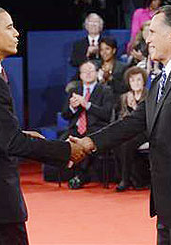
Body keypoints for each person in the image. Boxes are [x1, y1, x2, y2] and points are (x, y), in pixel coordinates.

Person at [70, 5, 171, 244]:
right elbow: (134, 121)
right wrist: (90, 142)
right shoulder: (162, 77)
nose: (147, 38)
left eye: (153, 32)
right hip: (167, 196)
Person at [0, 6, 86, 245]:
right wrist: (66, 151)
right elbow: (10, 142)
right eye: (9, 27)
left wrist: (18, 134)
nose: (17, 33)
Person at [61, 60, 114, 189]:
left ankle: (81, 175)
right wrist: (72, 108)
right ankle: (71, 175)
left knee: (87, 140)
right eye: (85, 71)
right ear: (80, 75)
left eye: (91, 71)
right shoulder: (74, 90)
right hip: (75, 128)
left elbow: (106, 114)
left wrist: (87, 105)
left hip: (95, 128)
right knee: (63, 141)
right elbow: (65, 115)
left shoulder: (105, 90)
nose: (88, 74)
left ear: (97, 73)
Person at [115, 66, 150, 192]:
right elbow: (120, 118)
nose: (136, 83)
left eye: (138, 80)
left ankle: (126, 179)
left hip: (146, 131)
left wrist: (136, 109)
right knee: (118, 142)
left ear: (144, 81)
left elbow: (148, 119)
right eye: (133, 80)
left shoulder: (149, 96)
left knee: (127, 143)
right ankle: (131, 178)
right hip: (129, 130)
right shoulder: (124, 97)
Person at [97, 37, 128, 104]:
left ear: (113, 50)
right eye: (101, 50)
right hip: (97, 101)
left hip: (115, 102)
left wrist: (110, 78)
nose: (104, 52)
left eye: (107, 49)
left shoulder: (123, 67)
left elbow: (124, 88)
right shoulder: (95, 66)